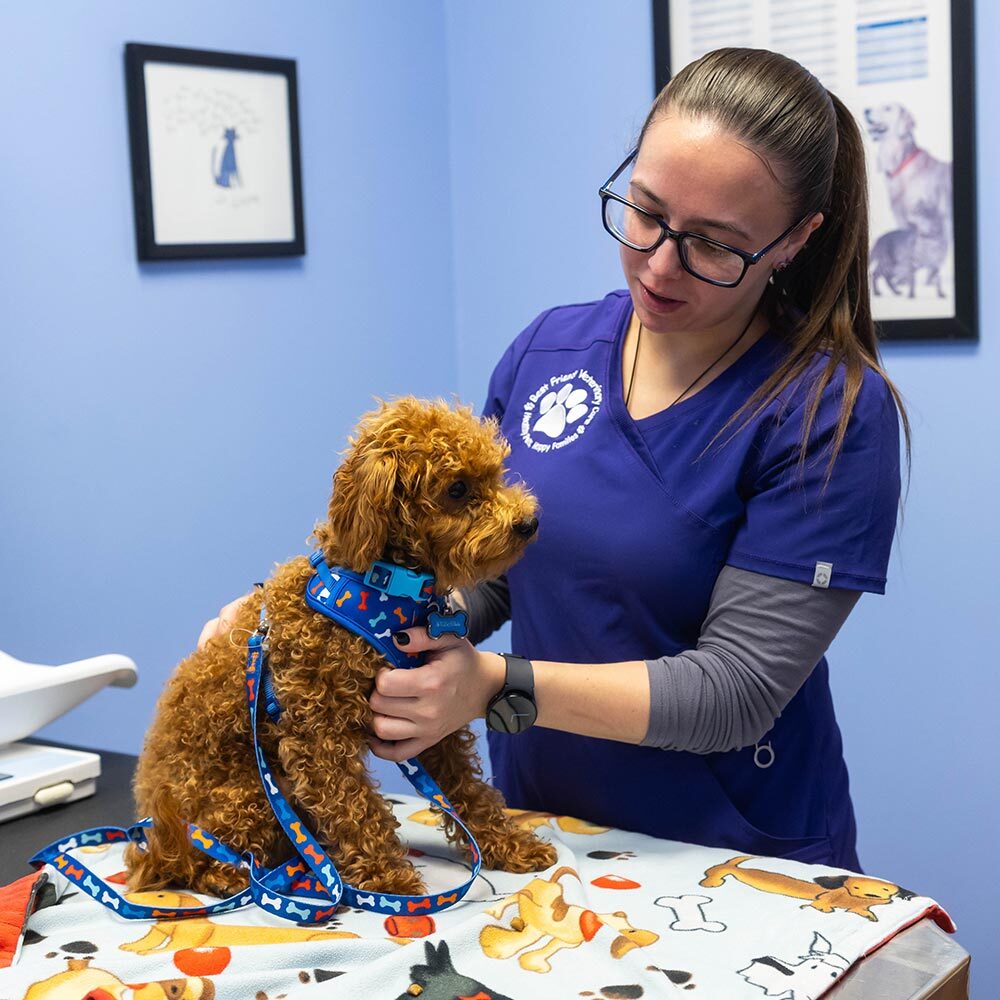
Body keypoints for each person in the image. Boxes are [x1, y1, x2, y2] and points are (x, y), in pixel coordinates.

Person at [200, 48, 908, 871]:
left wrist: (492, 685)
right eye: (644, 211)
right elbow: (493, 575)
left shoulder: (828, 411)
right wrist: (341, 626)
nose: (659, 262)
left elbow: (736, 692)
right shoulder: (550, 351)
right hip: (544, 829)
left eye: (715, 245)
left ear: (795, 240)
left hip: (733, 855)